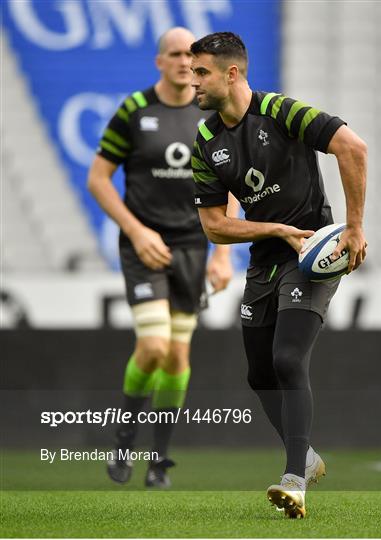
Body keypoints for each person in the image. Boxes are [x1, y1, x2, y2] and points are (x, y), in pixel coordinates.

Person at [190, 32, 367, 518]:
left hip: (311, 252)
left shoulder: (282, 111)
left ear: (233, 73)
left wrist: (353, 228)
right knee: (259, 373)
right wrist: (274, 228)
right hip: (266, 257)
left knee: (288, 358)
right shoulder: (206, 140)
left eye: (201, 72)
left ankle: (294, 478)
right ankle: (306, 456)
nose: (193, 81)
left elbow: (351, 147)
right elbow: (214, 226)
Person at [87, 27, 236, 488]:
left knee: (176, 358)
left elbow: (230, 183)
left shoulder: (210, 110)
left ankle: (158, 463)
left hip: (194, 246)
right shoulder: (134, 111)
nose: (183, 61)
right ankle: (123, 441)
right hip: (144, 245)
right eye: (174, 54)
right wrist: (136, 229)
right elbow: (98, 178)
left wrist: (222, 254)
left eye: (190, 55)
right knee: (152, 347)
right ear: (159, 62)